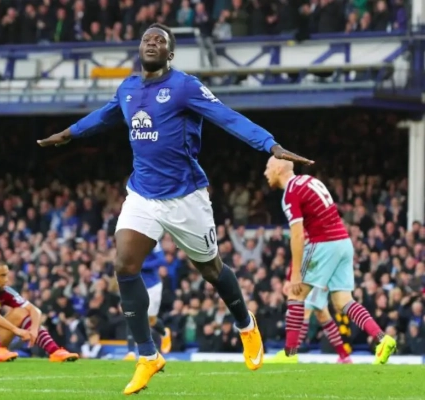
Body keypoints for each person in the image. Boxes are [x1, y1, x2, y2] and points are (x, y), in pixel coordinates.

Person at [38, 23, 313, 394]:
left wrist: (271, 145)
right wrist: (69, 133)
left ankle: (246, 324)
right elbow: (103, 116)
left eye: (160, 41)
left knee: (212, 269)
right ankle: (147, 355)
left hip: (185, 196)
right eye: (146, 39)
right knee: (124, 265)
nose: (151, 43)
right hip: (142, 193)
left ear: (170, 54)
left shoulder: (185, 86)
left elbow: (228, 117)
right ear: (139, 49)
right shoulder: (128, 88)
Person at [263, 157, 396, 364]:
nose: (265, 172)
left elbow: (297, 235)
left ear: (279, 168)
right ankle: (383, 339)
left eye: (268, 167)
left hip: (323, 244)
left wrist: (295, 273)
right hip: (343, 243)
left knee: (295, 294)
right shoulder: (310, 181)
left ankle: (289, 354)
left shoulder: (291, 192)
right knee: (343, 301)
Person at [0, 258, 79, 363]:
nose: (6, 280)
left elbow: (35, 310)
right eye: (2, 276)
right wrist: (15, 330)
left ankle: (54, 351)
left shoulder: (4, 291)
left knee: (21, 312)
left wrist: (34, 329)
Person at [266, 272, 352, 363]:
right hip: (315, 281)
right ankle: (343, 355)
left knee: (305, 315)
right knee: (323, 318)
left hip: (317, 281)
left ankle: (290, 352)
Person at [124, 242, 172, 360]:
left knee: (150, 320)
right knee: (131, 315)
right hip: (136, 284)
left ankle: (164, 333)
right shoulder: (128, 239)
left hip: (153, 286)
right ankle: (131, 352)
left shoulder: (152, 241)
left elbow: (161, 260)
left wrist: (143, 265)